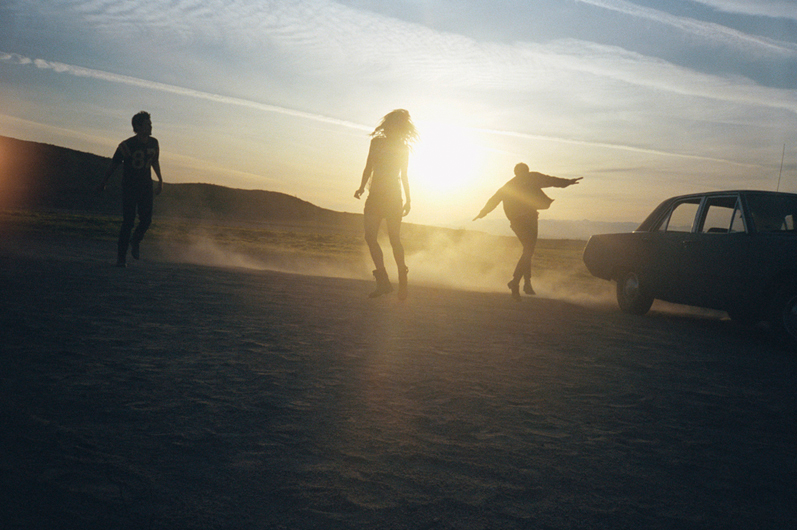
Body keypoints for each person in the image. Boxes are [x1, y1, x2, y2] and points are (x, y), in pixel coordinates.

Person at [474, 163, 581, 300]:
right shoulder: (532, 177)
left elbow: (494, 200)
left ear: (515, 172)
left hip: (519, 221)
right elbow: (551, 180)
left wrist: (483, 213)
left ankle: (526, 284)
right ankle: (516, 283)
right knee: (529, 250)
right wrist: (568, 182)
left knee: (528, 250)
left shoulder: (509, 185)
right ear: (526, 171)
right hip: (528, 219)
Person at [355, 109, 418, 299]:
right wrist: (361, 187)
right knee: (371, 237)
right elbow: (369, 166)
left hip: (391, 197)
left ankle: (401, 281)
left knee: (393, 239)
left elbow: (404, 175)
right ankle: (384, 281)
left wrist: (409, 199)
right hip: (377, 196)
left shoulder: (401, 148)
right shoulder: (377, 143)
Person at [98, 111, 164, 267]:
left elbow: (155, 162)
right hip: (130, 187)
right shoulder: (127, 145)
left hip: (146, 186)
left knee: (146, 220)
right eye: (147, 124)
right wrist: (104, 181)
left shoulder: (154, 143)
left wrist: (160, 180)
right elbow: (114, 164)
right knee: (128, 222)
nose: (150, 126)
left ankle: (136, 240)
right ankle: (121, 258)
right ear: (138, 127)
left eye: (150, 124)